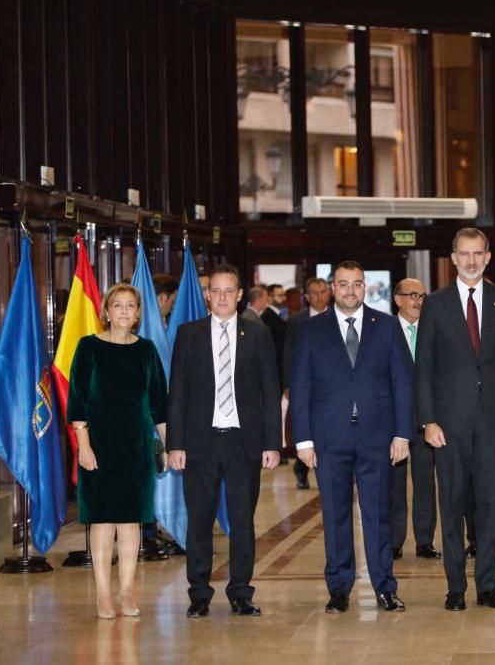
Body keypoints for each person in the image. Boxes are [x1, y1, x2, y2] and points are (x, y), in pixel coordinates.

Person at [289, 261, 413, 614]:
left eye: (357, 284)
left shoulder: (387, 327)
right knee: (335, 514)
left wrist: (403, 433)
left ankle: (385, 587)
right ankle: (339, 587)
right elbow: (300, 388)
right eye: (343, 284)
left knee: (378, 516)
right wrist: (303, 441)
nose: (350, 290)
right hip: (329, 438)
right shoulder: (312, 330)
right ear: (332, 287)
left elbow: (403, 383)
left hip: (377, 437)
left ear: (366, 287)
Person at [415, 227, 495, 612]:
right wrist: (428, 419)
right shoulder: (435, 303)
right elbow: (424, 368)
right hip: (448, 425)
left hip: (494, 422)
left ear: (488, 256)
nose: (471, 260)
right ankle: (455, 588)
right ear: (453, 257)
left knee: (492, 504)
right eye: (464, 253)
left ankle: (489, 586)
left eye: (478, 253)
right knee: (452, 505)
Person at [167, 264, 282, 618]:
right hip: (200, 442)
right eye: (214, 291)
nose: (221, 297)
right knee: (199, 521)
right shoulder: (189, 334)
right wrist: (176, 444)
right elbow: (178, 393)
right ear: (207, 295)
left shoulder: (258, 335)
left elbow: (270, 390)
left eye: (227, 291)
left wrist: (272, 443)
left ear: (239, 295)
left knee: (242, 521)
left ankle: (241, 592)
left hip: (243, 442)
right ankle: (199, 593)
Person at [68, 283, 167, 619]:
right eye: (118, 305)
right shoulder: (89, 347)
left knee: (131, 521)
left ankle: (126, 592)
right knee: (103, 519)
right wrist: (84, 447)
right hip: (99, 445)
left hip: (137, 446)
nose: (124, 311)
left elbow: (159, 404)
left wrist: (164, 446)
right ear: (106, 311)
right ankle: (103, 594)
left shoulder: (147, 350)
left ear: (138, 313)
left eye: (130, 306)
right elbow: (77, 401)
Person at [390, 277, 441, 561]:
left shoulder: (432, 330)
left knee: (424, 482)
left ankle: (425, 541)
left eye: (422, 296)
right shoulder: (385, 330)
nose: (418, 301)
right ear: (398, 299)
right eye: (412, 295)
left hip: (425, 419)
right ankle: (394, 541)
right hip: (395, 421)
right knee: (395, 485)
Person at [284, 277, 332, 489]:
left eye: (323, 291)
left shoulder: (338, 316)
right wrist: (288, 383)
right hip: (307, 384)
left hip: (332, 386)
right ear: (307, 297)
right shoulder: (297, 321)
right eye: (315, 292)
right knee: (305, 429)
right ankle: (301, 469)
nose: (320, 296)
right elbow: (289, 353)